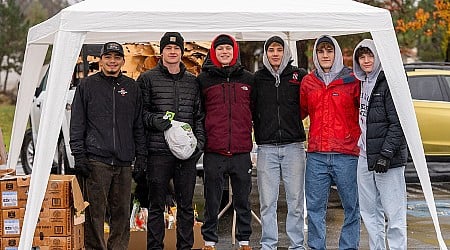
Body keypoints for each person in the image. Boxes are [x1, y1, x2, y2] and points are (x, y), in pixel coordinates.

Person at [69, 41, 147, 250]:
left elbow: (138, 125)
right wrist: (79, 156)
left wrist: (141, 158)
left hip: (123, 161)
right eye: (108, 57)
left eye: (116, 57)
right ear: (101, 60)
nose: (112, 61)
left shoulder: (131, 87)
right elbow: (77, 123)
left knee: (121, 212)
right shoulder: (86, 86)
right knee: (94, 212)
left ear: (122, 61)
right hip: (96, 160)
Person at [136, 32, 205, 250]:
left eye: (176, 49)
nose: (172, 52)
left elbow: (199, 116)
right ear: (162, 51)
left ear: (182, 52)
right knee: (156, 206)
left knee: (185, 207)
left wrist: (199, 145)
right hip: (158, 153)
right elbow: (140, 115)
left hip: (186, 156)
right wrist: (156, 121)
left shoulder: (192, 82)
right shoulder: (147, 79)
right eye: (168, 48)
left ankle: (185, 247)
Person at [300, 35, 361, 250]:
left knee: (352, 206)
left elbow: (363, 114)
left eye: (329, 51)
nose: (325, 55)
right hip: (316, 154)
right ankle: (317, 247)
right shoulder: (309, 82)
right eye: (320, 51)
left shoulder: (353, 80)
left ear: (336, 53)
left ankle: (348, 247)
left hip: (347, 153)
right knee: (315, 208)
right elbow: (299, 112)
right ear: (316, 55)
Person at [197, 34, 254, 250]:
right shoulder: (203, 80)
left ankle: (245, 240)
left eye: (228, 49)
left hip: (240, 150)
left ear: (234, 51)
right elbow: (199, 112)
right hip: (214, 150)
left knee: (243, 200)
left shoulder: (248, 79)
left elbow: (255, 111)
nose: (224, 52)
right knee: (211, 199)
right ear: (214, 52)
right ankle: (209, 241)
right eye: (220, 49)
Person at [252, 36, 307, 250]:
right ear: (266, 53)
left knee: (295, 201)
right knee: (268, 202)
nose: (275, 53)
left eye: (279, 49)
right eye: (271, 49)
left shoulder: (299, 76)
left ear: (286, 52)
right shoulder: (257, 79)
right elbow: (251, 109)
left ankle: (296, 245)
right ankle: (269, 244)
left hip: (294, 147)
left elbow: (306, 105)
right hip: (266, 148)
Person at [353, 39, 408, 250]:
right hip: (365, 156)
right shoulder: (363, 82)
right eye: (362, 56)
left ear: (378, 57)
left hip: (388, 159)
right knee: (369, 212)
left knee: (394, 213)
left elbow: (398, 123)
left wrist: (385, 154)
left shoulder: (389, 83)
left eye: (370, 56)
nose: (366, 60)